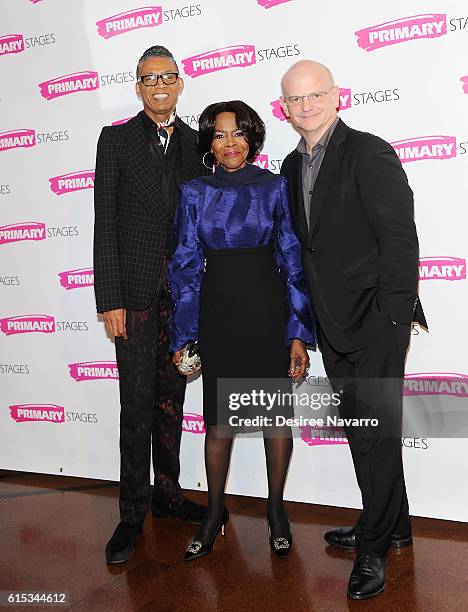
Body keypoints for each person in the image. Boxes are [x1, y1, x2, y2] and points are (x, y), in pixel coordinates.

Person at [279, 60, 427, 600]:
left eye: (315, 94)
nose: (306, 106)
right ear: (286, 109)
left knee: (376, 434)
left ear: (336, 96)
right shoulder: (289, 169)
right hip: (331, 323)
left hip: (377, 321)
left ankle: (373, 545)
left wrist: (393, 316)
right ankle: (396, 525)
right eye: (296, 99)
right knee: (367, 429)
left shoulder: (368, 151)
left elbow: (399, 238)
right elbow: (305, 249)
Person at [167, 100, 315, 561]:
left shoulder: (275, 187)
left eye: (238, 133)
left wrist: (297, 331)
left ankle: (275, 511)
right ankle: (213, 512)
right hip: (219, 312)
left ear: (252, 137)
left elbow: (292, 260)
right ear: (209, 142)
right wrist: (184, 334)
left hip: (268, 311)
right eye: (219, 135)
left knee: (275, 419)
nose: (229, 143)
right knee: (218, 422)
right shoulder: (194, 191)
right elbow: (186, 264)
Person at [93, 45, 207, 565]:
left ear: (180, 84)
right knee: (136, 405)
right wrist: (110, 297)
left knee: (171, 401)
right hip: (134, 298)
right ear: (137, 87)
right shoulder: (114, 141)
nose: (158, 85)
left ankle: (169, 493)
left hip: (182, 298)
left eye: (167, 76)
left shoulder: (197, 143)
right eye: (148, 78)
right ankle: (132, 513)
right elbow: (105, 222)